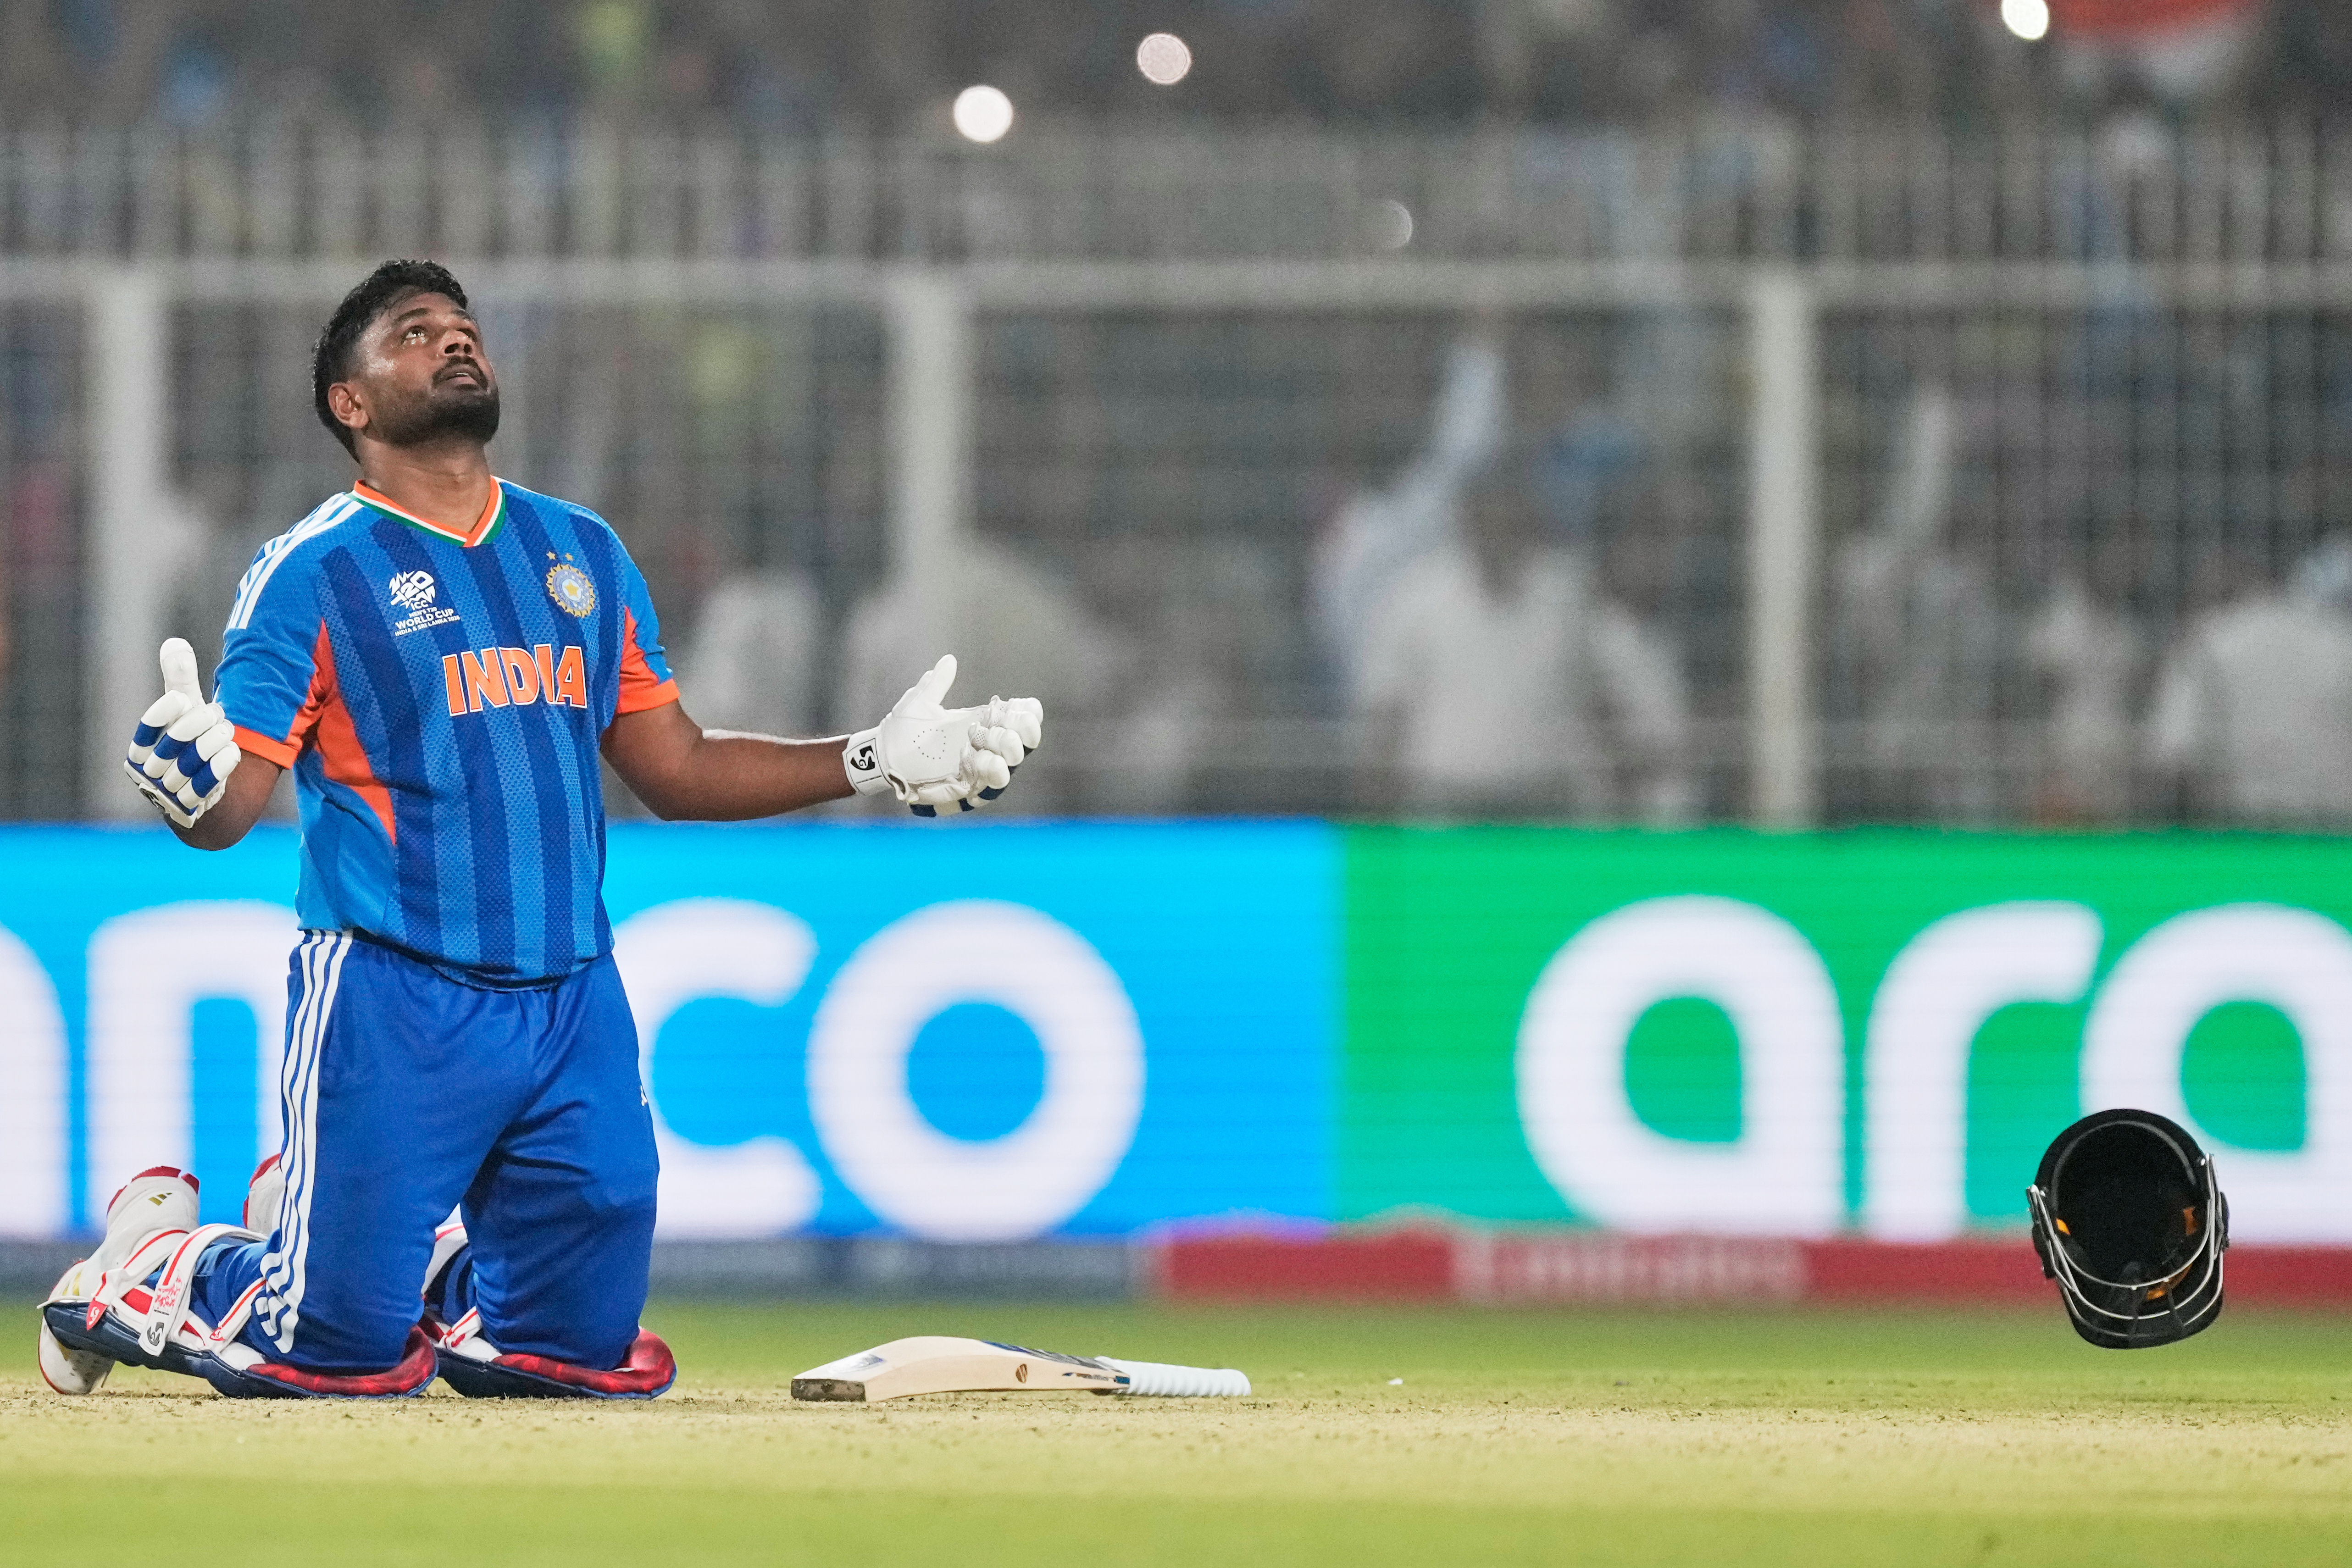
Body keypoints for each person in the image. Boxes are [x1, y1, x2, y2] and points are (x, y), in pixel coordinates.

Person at [39, 260, 1043, 1402]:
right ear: (349, 403)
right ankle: (148, 1259)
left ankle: (370, 1246)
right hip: (393, 998)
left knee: (567, 1352)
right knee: (328, 1354)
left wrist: (867, 759)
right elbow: (229, 812)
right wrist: (188, 790)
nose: (453, 340)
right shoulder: (311, 574)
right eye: (413, 333)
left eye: (461, 326)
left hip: (572, 1002)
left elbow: (678, 767)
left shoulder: (579, 550)